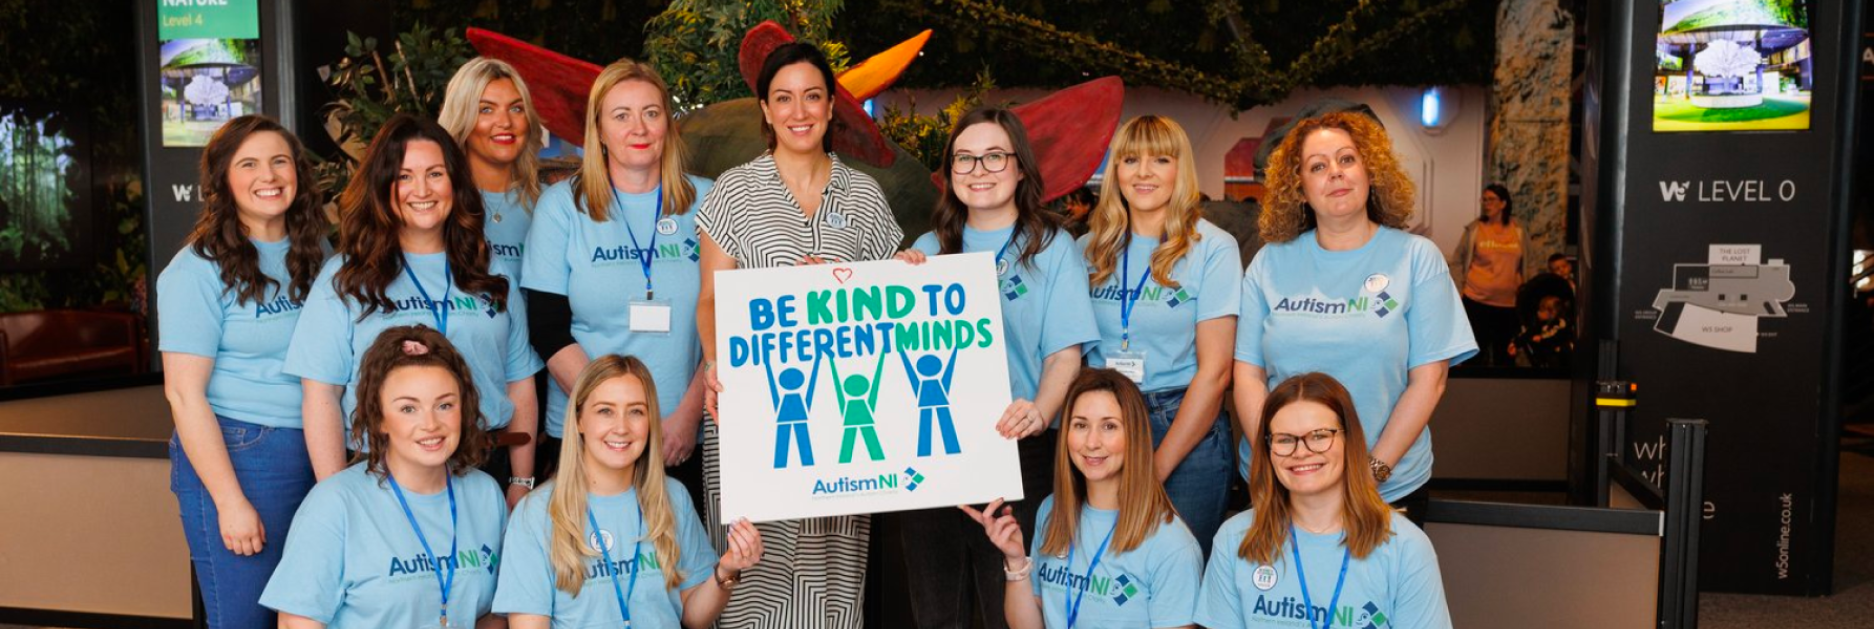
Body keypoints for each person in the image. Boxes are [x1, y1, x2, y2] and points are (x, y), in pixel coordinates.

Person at [692, 41, 903, 629]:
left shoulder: (865, 196)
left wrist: (892, 275)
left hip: (844, 422)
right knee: (748, 569)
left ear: (832, 105)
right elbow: (711, 299)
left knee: (832, 582)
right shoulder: (733, 191)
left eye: (812, 96)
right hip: (751, 412)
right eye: (783, 98)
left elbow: (892, 313)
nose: (799, 111)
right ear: (765, 109)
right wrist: (715, 363)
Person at [893, 106, 1098, 629]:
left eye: (994, 157)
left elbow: (1064, 355)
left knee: (1008, 602)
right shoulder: (926, 250)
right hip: (934, 450)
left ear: (1020, 167)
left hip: (1019, 449)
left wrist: (1041, 411)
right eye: (964, 158)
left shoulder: (1053, 247)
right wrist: (892, 285)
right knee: (935, 610)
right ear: (949, 171)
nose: (978, 169)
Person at [287, 113, 543, 508]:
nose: (421, 189)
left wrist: (521, 482)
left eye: (435, 174)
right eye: (404, 176)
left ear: (455, 182)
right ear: (382, 186)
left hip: (482, 468)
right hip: (379, 473)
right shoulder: (346, 277)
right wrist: (337, 497)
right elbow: (321, 393)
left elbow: (519, 380)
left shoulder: (490, 270)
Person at [1234, 111, 1476, 521]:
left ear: (1370, 171)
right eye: (1317, 166)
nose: (1335, 173)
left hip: (1386, 487)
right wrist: (1279, 465)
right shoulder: (1269, 263)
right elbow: (1248, 377)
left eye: (1347, 159)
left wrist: (1369, 476)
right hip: (1280, 484)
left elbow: (1429, 382)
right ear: (1299, 188)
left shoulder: (1417, 259)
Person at [158, 115, 328, 629]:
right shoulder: (196, 269)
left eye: (280, 161)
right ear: (223, 180)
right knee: (247, 620)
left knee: (313, 616)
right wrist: (229, 501)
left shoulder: (317, 252)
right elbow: (184, 395)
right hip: (244, 456)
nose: (268, 176)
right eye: (248, 164)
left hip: (320, 447)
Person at [520, 59, 710, 500]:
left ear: (668, 123)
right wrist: (614, 421)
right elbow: (547, 329)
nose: (638, 128)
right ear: (599, 130)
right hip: (590, 435)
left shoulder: (709, 199)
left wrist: (689, 417)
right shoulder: (563, 207)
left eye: (651, 113)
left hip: (684, 433)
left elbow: (729, 320)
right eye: (621, 115)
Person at [262, 326, 509, 629]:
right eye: (408, 408)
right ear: (379, 418)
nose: (430, 424)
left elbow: (491, 616)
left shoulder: (486, 494)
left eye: (444, 405)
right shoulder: (335, 503)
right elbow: (296, 623)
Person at [494, 355, 764, 628]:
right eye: (605, 411)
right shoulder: (536, 514)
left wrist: (727, 568)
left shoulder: (673, 497)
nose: (621, 427)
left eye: (636, 411)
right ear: (579, 420)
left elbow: (694, 617)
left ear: (650, 421)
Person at [1078, 115, 1240, 552]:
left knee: (1178, 570)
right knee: (1109, 566)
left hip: (1183, 428)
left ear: (1180, 169)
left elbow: (1216, 373)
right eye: (1130, 160)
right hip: (1104, 427)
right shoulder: (1088, 249)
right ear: (1116, 170)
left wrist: (1155, 469)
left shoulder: (1213, 248)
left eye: (1160, 160)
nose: (1143, 173)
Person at [1196, 373, 1451, 628]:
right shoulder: (1235, 538)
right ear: (1268, 450)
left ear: (1349, 441)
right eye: (1285, 439)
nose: (1301, 452)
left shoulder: (1405, 546)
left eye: (1319, 436)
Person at [963, 368, 1203, 629]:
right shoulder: (1052, 511)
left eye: (1109, 426)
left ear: (1134, 435)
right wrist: (1016, 561)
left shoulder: (1171, 545)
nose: (1092, 442)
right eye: (1080, 425)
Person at [438, 57, 545, 281]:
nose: (505, 122)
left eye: (516, 108)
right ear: (461, 119)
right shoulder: (437, 203)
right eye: (486, 109)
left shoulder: (551, 203)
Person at [1450, 184, 1527, 366]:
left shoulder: (1518, 230)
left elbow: (1529, 262)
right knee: (1474, 358)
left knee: (1505, 358)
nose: (1486, 203)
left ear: (1503, 203)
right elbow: (1457, 261)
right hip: (1476, 302)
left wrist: (1526, 293)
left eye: (1491, 199)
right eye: (1484, 200)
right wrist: (1460, 290)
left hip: (1509, 305)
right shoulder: (1475, 229)